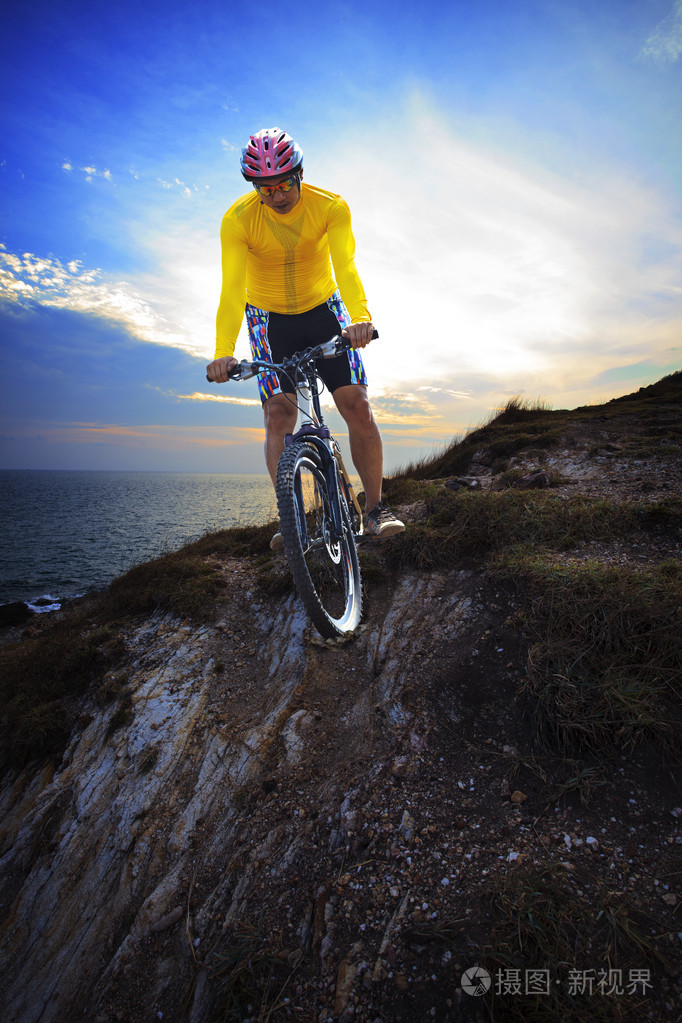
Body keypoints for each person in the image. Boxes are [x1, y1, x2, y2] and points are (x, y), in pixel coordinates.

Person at [206, 126, 404, 549]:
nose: (277, 196)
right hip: (268, 319)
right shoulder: (237, 220)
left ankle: (375, 510)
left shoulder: (330, 206)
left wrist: (360, 318)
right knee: (278, 416)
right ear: (254, 187)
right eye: (266, 189)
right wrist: (223, 352)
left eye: (285, 184)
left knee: (357, 405)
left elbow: (346, 266)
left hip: (323, 310)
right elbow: (232, 289)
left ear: (300, 174)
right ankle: (292, 518)